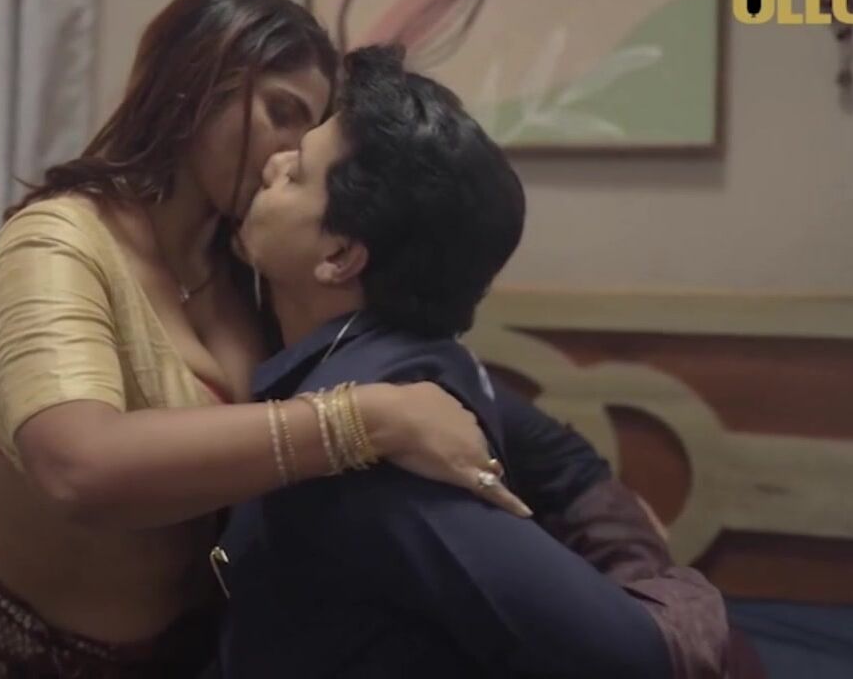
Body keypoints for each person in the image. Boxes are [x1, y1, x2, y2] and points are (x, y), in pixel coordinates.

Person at [0, 0, 524, 678]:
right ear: (195, 84)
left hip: (178, 651)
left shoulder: (250, 264)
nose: (287, 153)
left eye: (308, 130)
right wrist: (367, 420)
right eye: (280, 111)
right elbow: (76, 467)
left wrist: (566, 480)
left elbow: (407, 362)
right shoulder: (59, 239)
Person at [217, 44, 730, 678]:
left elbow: (636, 655)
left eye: (296, 173)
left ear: (340, 256)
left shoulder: (373, 462)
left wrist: (668, 584)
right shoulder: (407, 359)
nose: (271, 164)